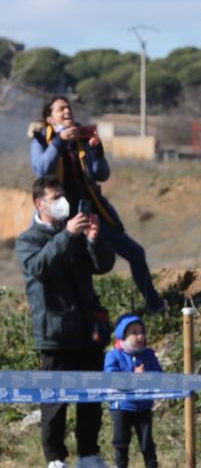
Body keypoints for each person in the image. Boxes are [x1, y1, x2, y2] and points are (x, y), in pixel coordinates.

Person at [17, 175, 115, 468]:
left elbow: (103, 265)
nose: (63, 203)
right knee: (55, 399)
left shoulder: (74, 232)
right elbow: (39, 267)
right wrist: (68, 235)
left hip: (87, 329)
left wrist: (93, 239)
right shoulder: (29, 239)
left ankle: (89, 455)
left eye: (64, 197)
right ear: (40, 204)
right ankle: (55, 460)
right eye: (55, 198)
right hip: (55, 332)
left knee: (90, 395)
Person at [29, 97, 162, 313]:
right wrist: (59, 142)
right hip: (60, 219)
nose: (67, 111)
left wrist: (96, 150)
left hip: (91, 212)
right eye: (61, 109)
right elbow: (41, 170)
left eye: (68, 108)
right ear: (50, 118)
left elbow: (102, 174)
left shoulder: (83, 137)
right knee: (69, 267)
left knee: (135, 253)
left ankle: (155, 306)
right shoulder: (42, 140)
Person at [103, 315, 162, 468]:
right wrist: (132, 376)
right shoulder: (113, 355)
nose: (140, 336)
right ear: (123, 335)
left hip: (143, 405)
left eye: (142, 332)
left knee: (146, 440)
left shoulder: (148, 355)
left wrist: (147, 375)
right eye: (135, 332)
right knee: (120, 440)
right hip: (121, 404)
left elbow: (159, 375)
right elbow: (111, 377)